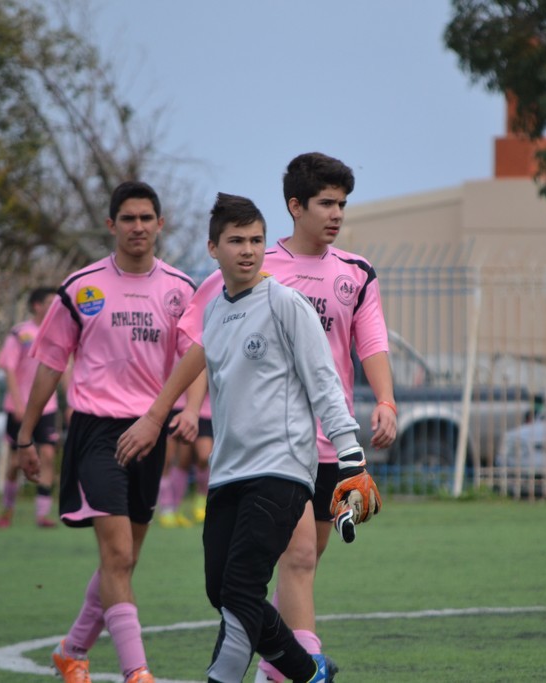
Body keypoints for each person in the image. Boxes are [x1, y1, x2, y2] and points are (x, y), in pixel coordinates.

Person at [116, 192, 381, 683]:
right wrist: (166, 412)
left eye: (257, 240)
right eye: (236, 241)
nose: (249, 250)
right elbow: (205, 377)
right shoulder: (214, 311)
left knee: (240, 589)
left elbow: (325, 383)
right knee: (222, 592)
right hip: (228, 474)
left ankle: (275, 675)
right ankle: (309, 673)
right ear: (213, 248)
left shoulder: (285, 303)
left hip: (281, 471)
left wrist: (351, 458)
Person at [178, 152, 397, 681]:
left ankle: (280, 670)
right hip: (280, 447)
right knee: (291, 562)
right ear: (295, 206)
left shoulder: (355, 272)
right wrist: (182, 406)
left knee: (300, 563)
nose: (336, 214)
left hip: (329, 440)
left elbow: (369, 342)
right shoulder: (255, 268)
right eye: (326, 203)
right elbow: (202, 343)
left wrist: (384, 403)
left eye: (342, 204)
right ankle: (305, 669)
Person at [16, 180, 197, 683]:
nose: (138, 227)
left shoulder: (181, 289)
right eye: (128, 218)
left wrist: (189, 409)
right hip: (96, 432)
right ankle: (137, 672)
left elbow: (196, 356)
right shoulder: (81, 287)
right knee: (116, 554)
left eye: (146, 218)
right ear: (111, 224)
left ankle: (72, 650)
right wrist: (26, 435)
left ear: (160, 224)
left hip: (151, 431)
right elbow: (50, 364)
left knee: (126, 559)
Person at [0, 286, 61, 528]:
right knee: (16, 462)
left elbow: (63, 368)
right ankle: (7, 508)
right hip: (20, 407)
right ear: (37, 306)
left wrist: (73, 401)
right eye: (51, 302)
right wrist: (17, 403)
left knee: (48, 454)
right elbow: (9, 368)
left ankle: (42, 514)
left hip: (48, 406)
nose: (56, 306)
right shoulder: (20, 334)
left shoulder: (58, 333)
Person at [156, 392, 213, 528]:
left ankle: (202, 501)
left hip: (203, 410)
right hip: (174, 405)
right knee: (171, 459)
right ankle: (169, 508)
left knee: (204, 457)